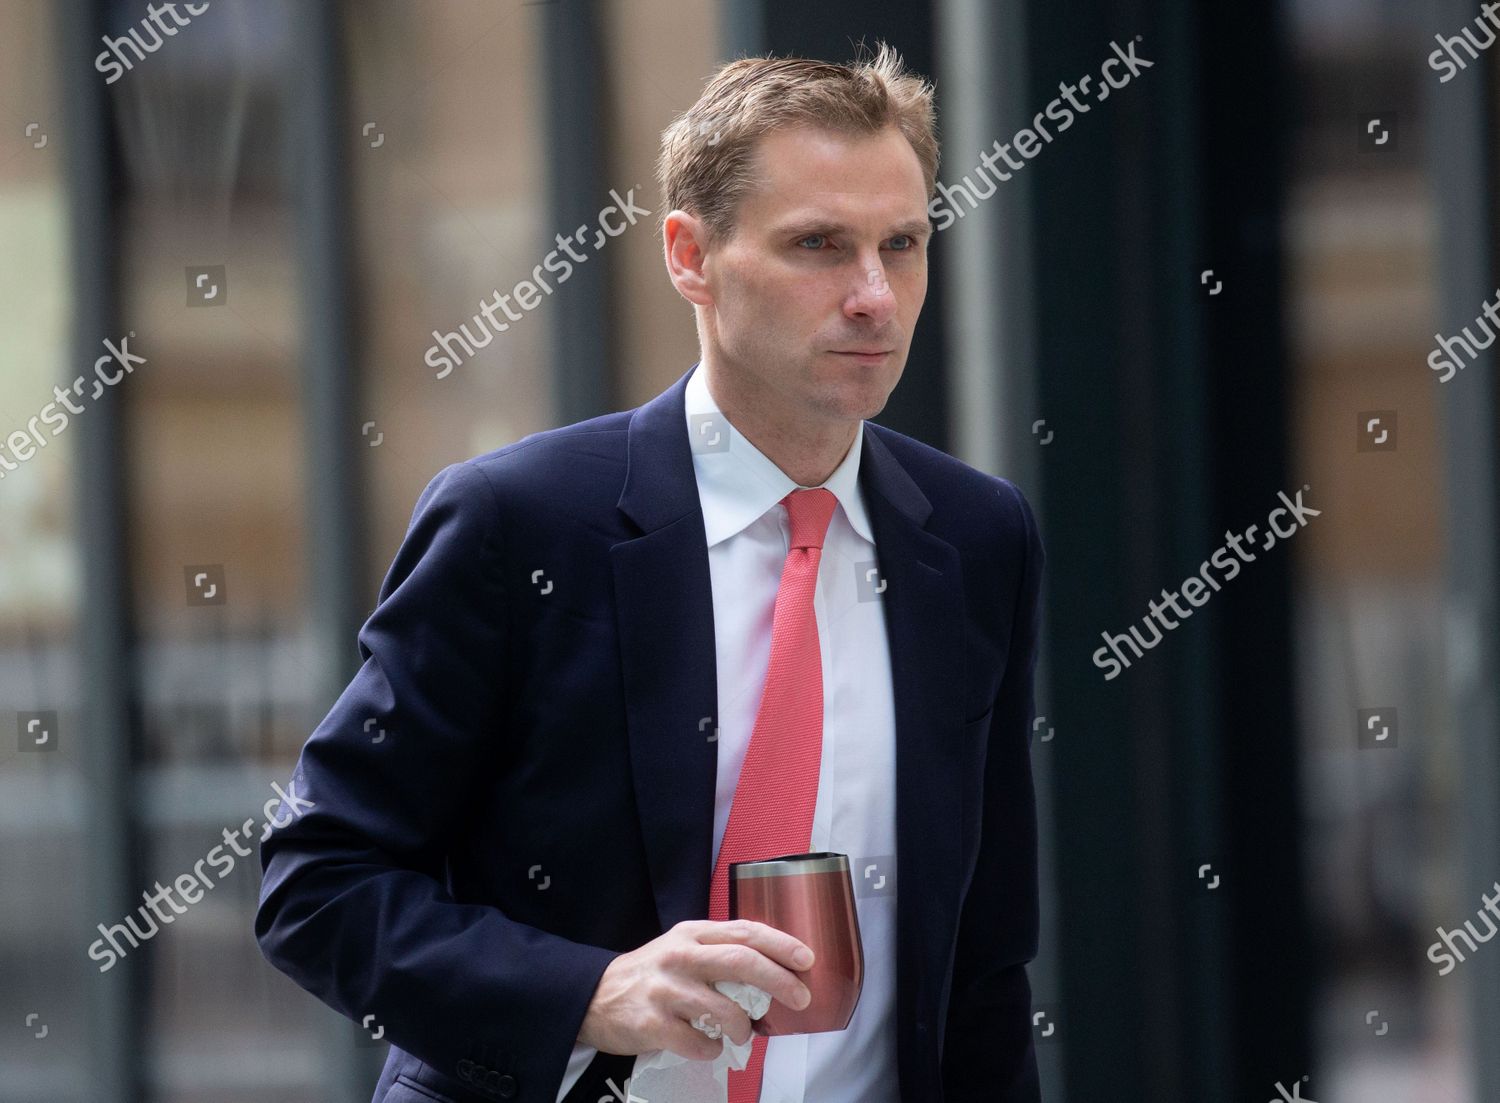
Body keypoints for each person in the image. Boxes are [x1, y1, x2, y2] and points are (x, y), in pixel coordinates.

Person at [256, 41, 1045, 1103]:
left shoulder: (977, 537)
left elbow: (984, 960)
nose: (874, 296)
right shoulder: (519, 523)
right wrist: (591, 989)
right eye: (818, 244)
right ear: (689, 255)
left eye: (901, 245)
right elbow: (317, 883)